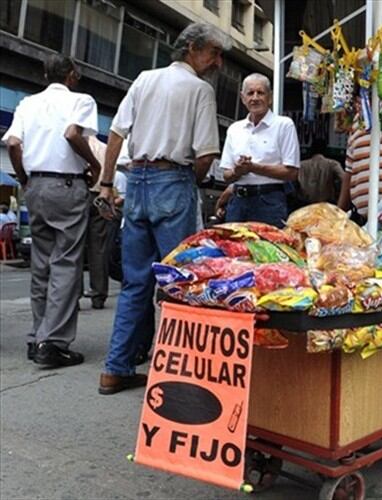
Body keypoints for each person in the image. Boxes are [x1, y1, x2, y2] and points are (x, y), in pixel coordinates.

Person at [95, 22, 229, 395]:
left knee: (136, 282)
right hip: (173, 180)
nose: (218, 62)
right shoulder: (200, 90)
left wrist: (107, 184)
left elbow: (117, 133)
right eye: (214, 53)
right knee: (181, 282)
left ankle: (115, 368)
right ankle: (177, 373)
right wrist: (191, 180)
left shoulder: (144, 79)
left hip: (136, 181)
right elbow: (204, 156)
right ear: (192, 49)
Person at [1, 54, 102, 368]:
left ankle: (37, 336)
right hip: (67, 185)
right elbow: (73, 134)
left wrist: (23, 177)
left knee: (41, 264)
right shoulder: (82, 100)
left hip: (36, 186)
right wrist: (95, 164)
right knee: (66, 263)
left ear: (46, 74)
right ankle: (53, 343)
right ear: (72, 75)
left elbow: (14, 144)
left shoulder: (28, 103)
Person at [220, 73, 299, 228]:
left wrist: (254, 168)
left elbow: (292, 172)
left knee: (267, 249)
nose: (255, 98)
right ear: (243, 98)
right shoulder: (234, 129)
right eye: (250, 93)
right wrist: (238, 171)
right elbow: (226, 175)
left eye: (260, 92)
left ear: (269, 97)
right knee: (235, 250)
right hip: (238, 201)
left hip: (269, 201)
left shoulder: (283, 125)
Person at [84, 136, 112, 309]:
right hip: (101, 196)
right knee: (98, 249)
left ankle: (73, 295)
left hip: (80, 194)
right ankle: (99, 295)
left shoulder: (80, 145)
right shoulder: (105, 148)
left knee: (74, 248)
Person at [296, 140, 346, 206]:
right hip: (326, 205)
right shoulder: (333, 164)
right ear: (325, 150)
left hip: (304, 204)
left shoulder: (301, 165)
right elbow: (344, 180)